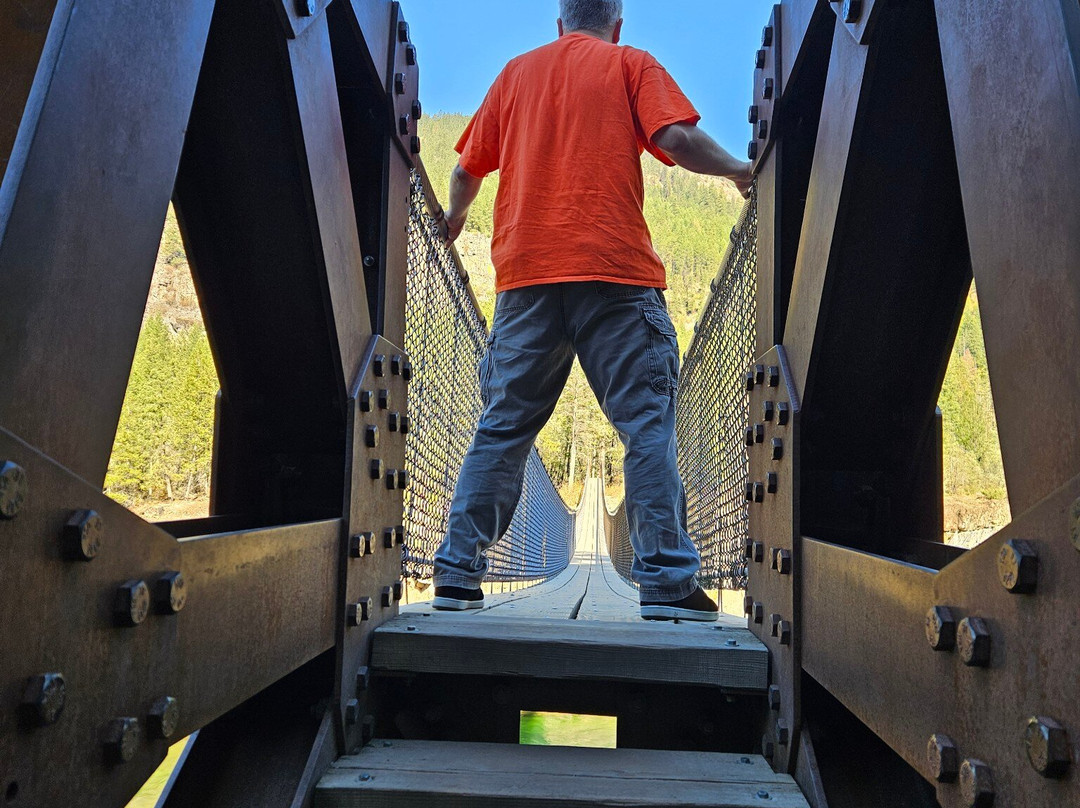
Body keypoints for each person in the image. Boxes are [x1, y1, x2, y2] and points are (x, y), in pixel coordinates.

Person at [432, 0, 754, 621]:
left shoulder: (516, 74)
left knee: (503, 426)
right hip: (615, 273)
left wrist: (457, 216)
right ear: (616, 24)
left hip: (525, 279)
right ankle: (664, 584)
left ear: (559, 25)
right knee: (647, 427)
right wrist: (741, 171)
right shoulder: (629, 64)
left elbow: (466, 169)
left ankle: (456, 573)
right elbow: (675, 139)